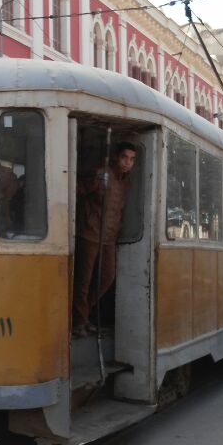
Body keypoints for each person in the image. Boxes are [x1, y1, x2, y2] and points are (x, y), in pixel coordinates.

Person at [73, 141, 137, 336]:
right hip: (89, 234)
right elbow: (77, 191)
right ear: (116, 157)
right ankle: (79, 321)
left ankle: (84, 313)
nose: (127, 163)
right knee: (83, 281)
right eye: (125, 157)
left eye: (132, 159)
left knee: (106, 277)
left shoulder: (125, 182)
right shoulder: (102, 174)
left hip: (109, 237)